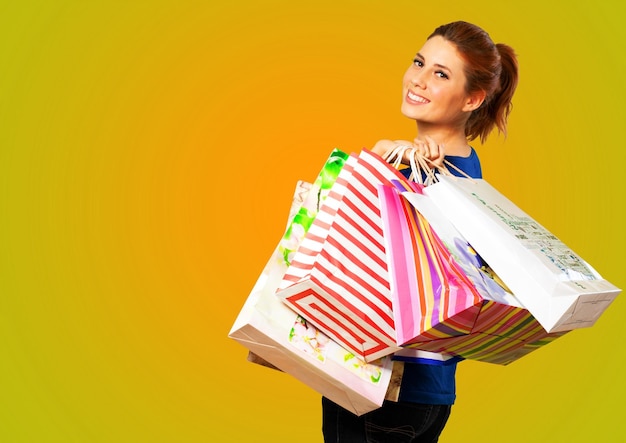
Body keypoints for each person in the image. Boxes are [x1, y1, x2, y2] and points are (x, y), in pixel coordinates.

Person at [321, 21, 519, 442]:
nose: (419, 79)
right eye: (419, 62)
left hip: (384, 385)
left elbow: (343, 235)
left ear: (473, 98)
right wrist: (387, 156)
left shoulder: (430, 173)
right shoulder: (467, 166)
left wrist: (385, 161)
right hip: (429, 389)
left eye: (441, 74)